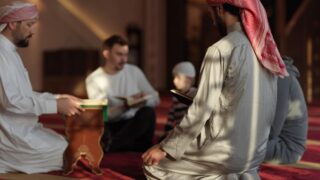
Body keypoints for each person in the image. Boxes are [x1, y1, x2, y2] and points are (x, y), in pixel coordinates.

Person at [142, 0, 288, 179]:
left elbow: (200, 110)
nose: (212, 19)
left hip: (222, 153)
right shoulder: (266, 54)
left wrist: (165, 148)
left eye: (211, 13)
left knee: (152, 166)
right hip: (255, 155)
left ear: (219, 9)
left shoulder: (221, 49)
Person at [0, 1, 83, 174]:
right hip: (9, 136)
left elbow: (26, 95)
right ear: (12, 24)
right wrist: (55, 105)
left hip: (21, 127)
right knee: (66, 151)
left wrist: (59, 98)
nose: (32, 31)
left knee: (64, 143)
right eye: (29, 25)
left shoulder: (9, 52)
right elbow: (11, 102)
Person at [85, 35, 160, 152]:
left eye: (126, 55)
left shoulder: (134, 71)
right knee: (97, 122)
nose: (124, 59)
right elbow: (102, 115)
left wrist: (144, 100)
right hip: (112, 125)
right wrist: (125, 106)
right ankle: (120, 145)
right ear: (106, 54)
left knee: (148, 113)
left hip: (133, 125)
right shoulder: (93, 79)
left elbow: (156, 98)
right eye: (119, 54)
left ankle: (112, 146)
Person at [265, 56, 308, 164]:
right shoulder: (276, 75)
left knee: (233, 145)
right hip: (276, 142)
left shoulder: (282, 78)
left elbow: (272, 131)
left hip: (287, 149)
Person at [164, 61, 196, 136]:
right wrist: (168, 130)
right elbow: (171, 117)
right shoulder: (176, 97)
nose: (174, 81)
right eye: (174, 77)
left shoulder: (195, 95)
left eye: (178, 78)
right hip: (178, 131)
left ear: (189, 79)